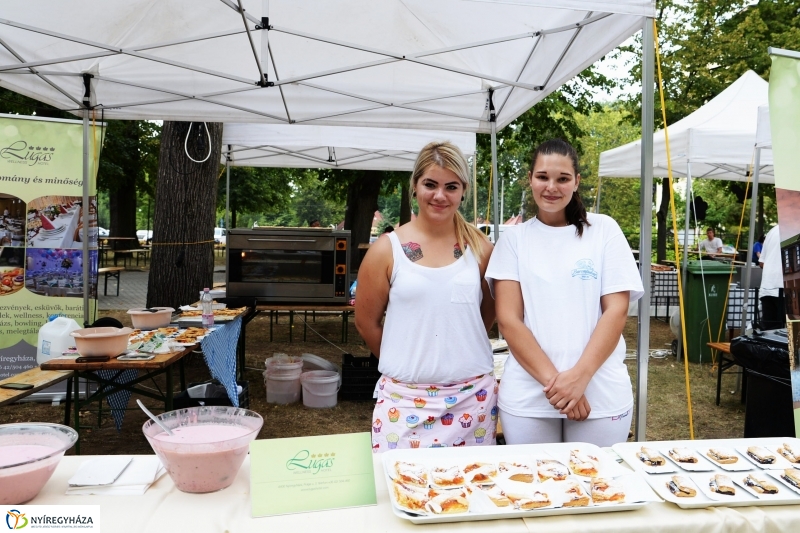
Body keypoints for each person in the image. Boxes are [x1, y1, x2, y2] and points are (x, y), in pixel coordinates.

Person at [485, 139, 644, 447]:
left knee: (597, 489)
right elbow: (508, 320)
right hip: (529, 397)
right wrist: (561, 387)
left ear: (577, 182)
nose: (551, 187)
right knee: (534, 490)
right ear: (530, 178)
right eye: (543, 177)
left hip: (600, 393)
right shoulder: (514, 240)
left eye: (562, 178)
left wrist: (580, 378)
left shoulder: (604, 231)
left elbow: (616, 311)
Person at [355, 141, 497, 452]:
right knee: (400, 492)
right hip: (403, 404)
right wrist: (406, 359)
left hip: (472, 402)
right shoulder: (386, 250)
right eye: (430, 184)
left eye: (451, 186)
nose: (440, 195)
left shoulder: (481, 248)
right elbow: (366, 322)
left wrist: (458, 346)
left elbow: (488, 311)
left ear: (463, 190)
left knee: (467, 493)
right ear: (415, 186)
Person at [759, 225, 785, 330]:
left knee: (769, 333)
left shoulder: (772, 231)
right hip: (784, 290)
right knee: (791, 334)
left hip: (767, 287)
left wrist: (772, 270)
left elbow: (761, 262)